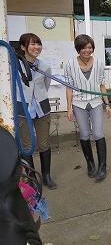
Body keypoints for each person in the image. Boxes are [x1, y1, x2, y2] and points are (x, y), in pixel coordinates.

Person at [64, 34, 111, 182]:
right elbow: (69, 88)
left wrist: (107, 103)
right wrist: (69, 107)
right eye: (84, 47)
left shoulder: (98, 63)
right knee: (84, 134)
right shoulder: (70, 64)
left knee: (98, 133)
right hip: (78, 103)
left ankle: (102, 167)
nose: (87, 50)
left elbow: (102, 85)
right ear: (78, 48)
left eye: (90, 47)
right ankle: (90, 164)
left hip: (96, 102)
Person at [17, 33, 57, 190]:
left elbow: (45, 86)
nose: (37, 47)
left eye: (38, 44)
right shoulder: (15, 65)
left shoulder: (45, 66)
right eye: (32, 44)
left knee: (44, 143)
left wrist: (38, 98)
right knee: (26, 146)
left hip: (42, 109)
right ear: (22, 47)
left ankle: (46, 176)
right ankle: (32, 177)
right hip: (22, 110)